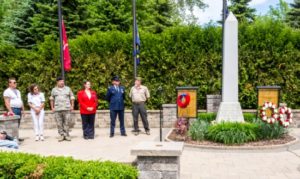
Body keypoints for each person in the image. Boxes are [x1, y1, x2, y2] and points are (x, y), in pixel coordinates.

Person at [50, 77, 75, 142]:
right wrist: (52, 107)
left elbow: (72, 97)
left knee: (67, 122)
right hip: (57, 109)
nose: (62, 82)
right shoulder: (54, 90)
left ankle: (66, 135)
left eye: (63, 81)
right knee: (59, 123)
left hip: (67, 108)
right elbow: (51, 99)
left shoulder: (68, 89)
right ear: (57, 82)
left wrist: (72, 106)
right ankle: (61, 135)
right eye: (61, 81)